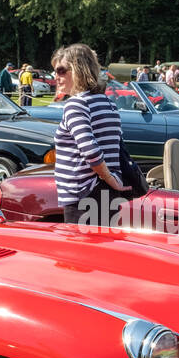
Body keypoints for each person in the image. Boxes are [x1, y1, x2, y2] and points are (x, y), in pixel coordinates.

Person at [51, 43, 128, 225]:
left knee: (81, 252)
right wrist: (112, 180)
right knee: (106, 250)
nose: (56, 76)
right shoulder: (107, 103)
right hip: (107, 194)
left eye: (61, 70)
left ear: (78, 70)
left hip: (83, 196)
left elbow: (89, 149)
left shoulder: (76, 104)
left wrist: (108, 177)